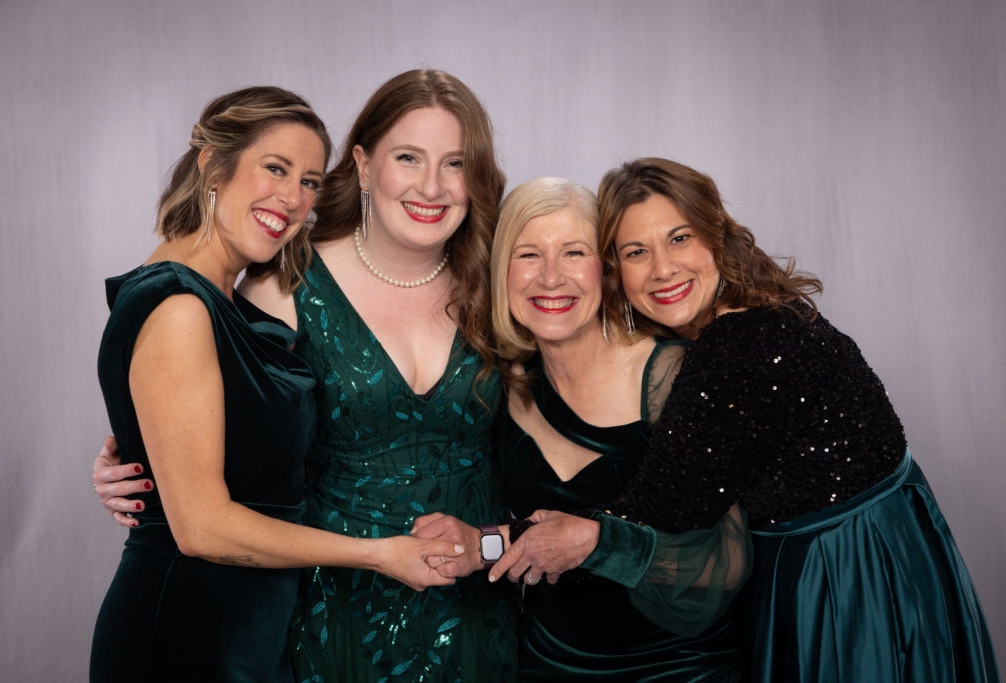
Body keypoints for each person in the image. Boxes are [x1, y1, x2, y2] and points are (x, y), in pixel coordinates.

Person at [489, 159, 1001, 682]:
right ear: (617, 271)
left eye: (679, 239)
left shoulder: (737, 347)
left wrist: (496, 543)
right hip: (869, 544)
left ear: (715, 236)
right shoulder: (747, 313)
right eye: (637, 252)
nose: (663, 268)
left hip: (844, 569)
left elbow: (661, 510)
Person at [93, 71, 518, 683]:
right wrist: (140, 462)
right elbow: (201, 507)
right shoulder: (264, 287)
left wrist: (141, 457)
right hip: (316, 614)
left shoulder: (505, 280)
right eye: (409, 157)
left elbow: (231, 421)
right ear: (365, 167)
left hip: (473, 611)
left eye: (454, 163)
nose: (291, 198)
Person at [412, 177, 750, 682]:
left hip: (678, 669)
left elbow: (726, 560)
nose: (551, 277)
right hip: (546, 663)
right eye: (529, 255)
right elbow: (536, 541)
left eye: (573, 253)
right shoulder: (506, 385)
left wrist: (597, 542)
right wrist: (474, 546)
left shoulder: (671, 374)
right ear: (502, 271)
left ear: (605, 269)